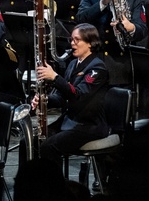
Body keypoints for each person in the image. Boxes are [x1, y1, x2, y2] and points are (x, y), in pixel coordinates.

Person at [33, 22, 110, 165]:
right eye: (71, 40)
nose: (72, 44)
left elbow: (78, 96)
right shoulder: (73, 64)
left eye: (77, 40)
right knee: (31, 141)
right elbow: (62, 98)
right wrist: (45, 100)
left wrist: (55, 77)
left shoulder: (98, 68)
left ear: (90, 43)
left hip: (88, 126)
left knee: (49, 146)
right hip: (70, 121)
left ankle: (54, 186)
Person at [76, 0, 147, 88]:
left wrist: (131, 27)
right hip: (96, 61)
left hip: (122, 64)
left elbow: (143, 30)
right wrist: (103, 2)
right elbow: (80, 19)